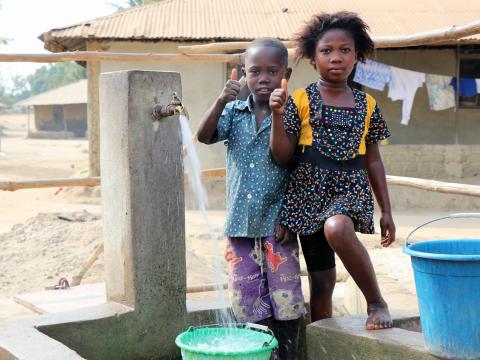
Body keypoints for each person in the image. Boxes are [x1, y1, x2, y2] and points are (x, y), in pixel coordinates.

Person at [269, 12, 395, 330]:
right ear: (314, 57)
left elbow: (374, 160)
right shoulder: (299, 99)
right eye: (326, 51)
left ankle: (377, 302)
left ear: (357, 55)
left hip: (349, 190)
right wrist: (277, 116)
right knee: (322, 284)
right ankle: (321, 342)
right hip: (307, 195)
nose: (336, 57)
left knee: (338, 228)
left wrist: (387, 211)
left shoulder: (368, 105)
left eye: (345, 50)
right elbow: (282, 157)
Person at [196, 37, 306, 358]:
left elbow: (282, 156)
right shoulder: (233, 111)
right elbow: (203, 136)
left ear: (285, 74)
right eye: (255, 71)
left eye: (272, 71)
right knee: (248, 300)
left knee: (286, 298)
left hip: (277, 224)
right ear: (243, 74)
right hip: (240, 225)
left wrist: (278, 114)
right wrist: (220, 101)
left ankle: (288, 354)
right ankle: (259, 353)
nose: (264, 79)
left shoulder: (291, 113)